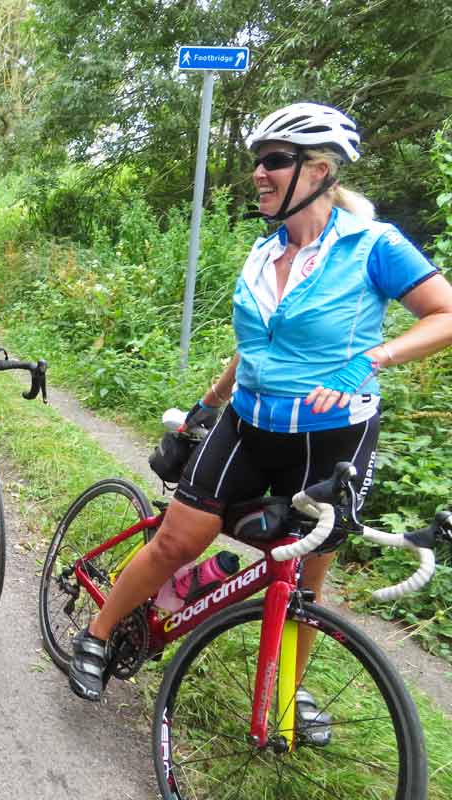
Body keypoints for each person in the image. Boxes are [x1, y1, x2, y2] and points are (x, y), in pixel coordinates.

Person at [66, 104, 452, 733]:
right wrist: (209, 404)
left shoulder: (373, 247)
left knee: (303, 579)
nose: (259, 174)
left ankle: (289, 691)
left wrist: (369, 362)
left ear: (320, 171)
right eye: (258, 161)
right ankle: (98, 633)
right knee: (176, 541)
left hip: (331, 439)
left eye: (275, 161)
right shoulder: (261, 252)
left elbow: (445, 315)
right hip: (246, 423)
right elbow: (253, 345)